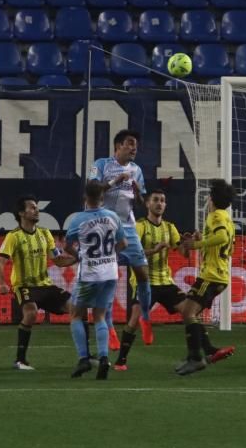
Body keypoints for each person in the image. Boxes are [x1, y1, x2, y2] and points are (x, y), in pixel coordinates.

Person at [0, 195, 78, 371]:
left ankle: (86, 356)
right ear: (21, 213)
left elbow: (58, 260)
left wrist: (78, 259)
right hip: (23, 286)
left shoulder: (45, 233)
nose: (36, 210)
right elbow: (0, 263)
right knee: (31, 313)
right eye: (32, 207)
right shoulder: (13, 237)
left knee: (76, 308)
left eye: (36, 207)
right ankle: (20, 361)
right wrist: (2, 283)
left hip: (45, 285)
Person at [89, 129, 152, 350]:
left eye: (135, 145)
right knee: (107, 280)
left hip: (128, 226)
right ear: (118, 146)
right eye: (130, 143)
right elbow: (92, 191)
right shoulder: (102, 164)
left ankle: (145, 317)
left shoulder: (137, 170)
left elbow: (141, 202)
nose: (134, 148)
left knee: (143, 273)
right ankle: (110, 327)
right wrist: (115, 181)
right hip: (104, 228)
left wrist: (138, 194)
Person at [115, 189, 187, 371]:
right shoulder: (140, 226)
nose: (159, 203)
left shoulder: (170, 228)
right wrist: (154, 250)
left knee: (189, 311)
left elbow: (184, 253)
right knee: (134, 318)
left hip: (165, 281)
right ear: (147, 204)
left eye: (163, 200)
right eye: (155, 200)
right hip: (144, 281)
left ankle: (201, 353)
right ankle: (121, 360)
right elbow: (132, 253)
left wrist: (188, 243)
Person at [64, 181, 126, 380]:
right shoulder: (113, 217)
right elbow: (123, 244)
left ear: (85, 197)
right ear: (102, 197)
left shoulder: (77, 220)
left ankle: (83, 359)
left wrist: (79, 255)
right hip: (110, 273)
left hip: (89, 274)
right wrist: (111, 256)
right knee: (100, 316)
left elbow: (67, 246)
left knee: (75, 314)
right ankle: (104, 358)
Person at [175, 179, 237, 376]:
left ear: (212, 199)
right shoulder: (227, 218)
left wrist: (196, 245)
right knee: (188, 310)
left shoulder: (215, 216)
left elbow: (222, 238)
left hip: (212, 275)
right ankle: (208, 350)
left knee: (188, 312)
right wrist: (202, 240)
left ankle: (196, 358)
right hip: (219, 274)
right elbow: (225, 245)